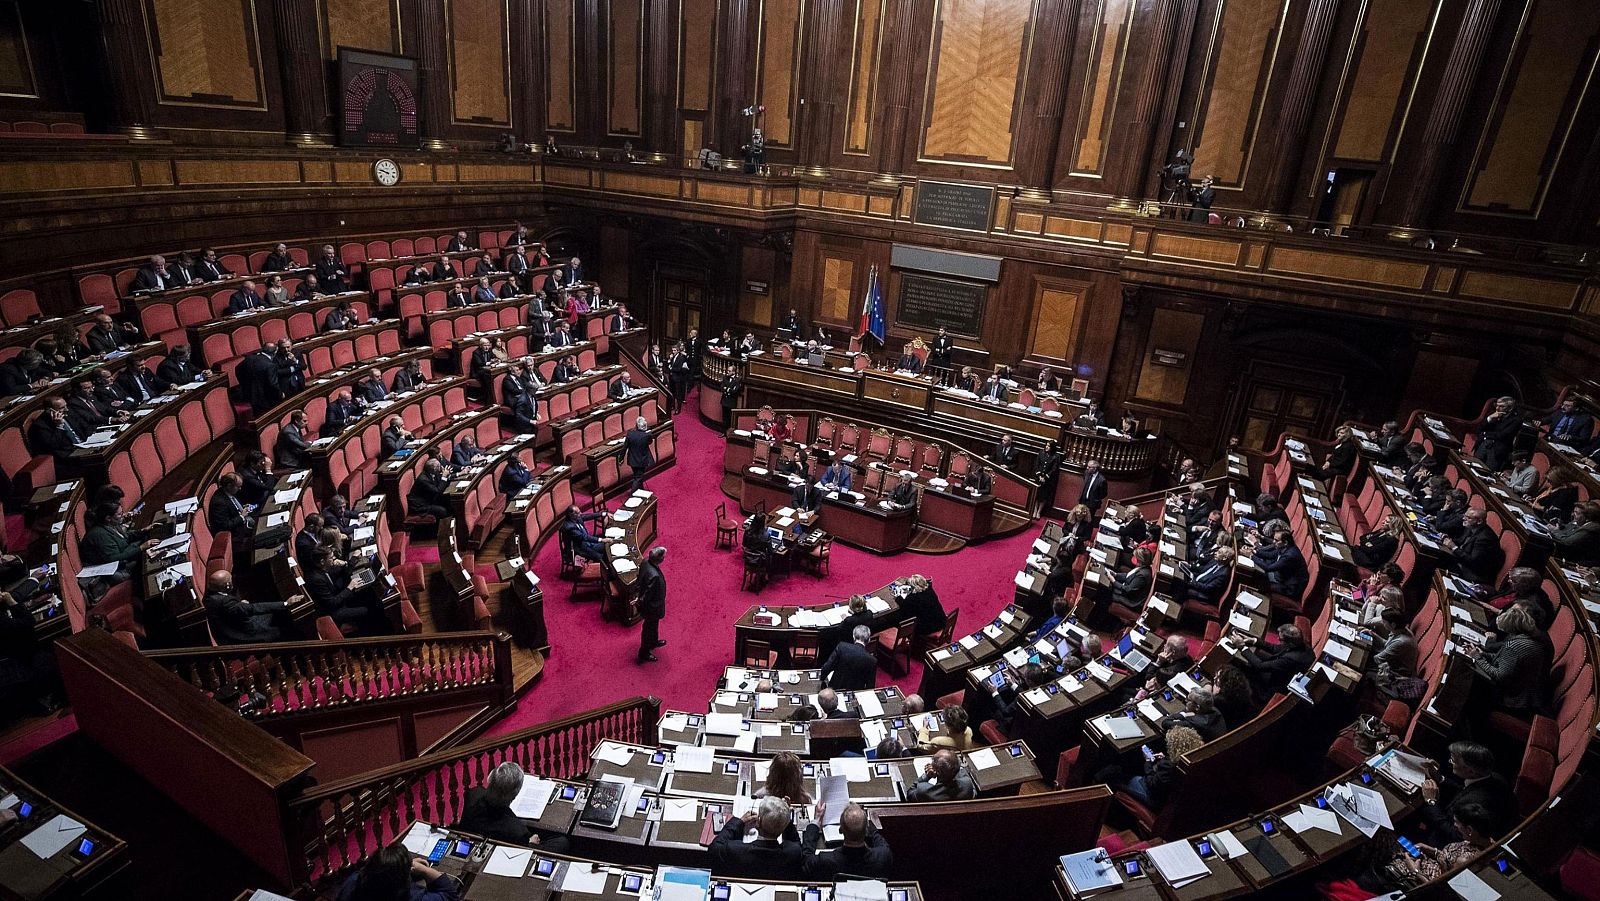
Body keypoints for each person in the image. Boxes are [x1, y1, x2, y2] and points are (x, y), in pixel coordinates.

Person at [453, 760, 570, 852]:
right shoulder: (516, 830)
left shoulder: (473, 794)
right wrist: (530, 843)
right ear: (514, 795)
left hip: (472, 834)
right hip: (499, 851)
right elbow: (523, 846)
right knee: (562, 842)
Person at [1418, 741, 1514, 842]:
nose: (1450, 762)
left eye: (1453, 761)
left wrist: (1431, 801)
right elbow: (1464, 789)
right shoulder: (1495, 777)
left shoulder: (1474, 801)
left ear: (1470, 771)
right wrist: (1440, 778)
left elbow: (1457, 836)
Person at [1464, 606, 1549, 718]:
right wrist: (1483, 654)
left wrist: (1477, 657)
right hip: (1528, 692)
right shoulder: (1531, 636)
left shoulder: (1515, 646)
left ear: (1512, 630)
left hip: (1515, 699)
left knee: (1471, 682)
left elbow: (1500, 676)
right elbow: (1506, 659)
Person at [708, 796, 803, 879]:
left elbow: (714, 848)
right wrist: (784, 817)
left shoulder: (736, 850)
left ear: (758, 822)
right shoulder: (793, 853)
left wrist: (739, 822)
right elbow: (796, 843)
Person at [335, 843, 460, 901]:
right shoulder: (414, 897)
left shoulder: (353, 882)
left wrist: (399, 865)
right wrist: (424, 870)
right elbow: (449, 894)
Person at [801, 800, 891, 878]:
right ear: (866, 831)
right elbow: (877, 837)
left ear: (840, 830)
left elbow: (806, 859)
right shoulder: (883, 857)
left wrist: (816, 821)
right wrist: (863, 820)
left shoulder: (824, 860)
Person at [203, 570, 292, 645]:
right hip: (242, 635)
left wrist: (239, 605)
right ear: (228, 585)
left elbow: (229, 610)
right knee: (282, 628)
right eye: (230, 580)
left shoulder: (208, 597)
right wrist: (285, 603)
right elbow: (253, 608)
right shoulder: (226, 602)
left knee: (273, 613)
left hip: (232, 624)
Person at [1237, 623, 1314, 699]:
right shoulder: (1299, 643)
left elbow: (1260, 666)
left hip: (1276, 683)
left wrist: (1242, 647)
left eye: (1280, 639)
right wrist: (1254, 641)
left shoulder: (1291, 659)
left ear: (1290, 643)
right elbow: (1274, 648)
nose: (1277, 639)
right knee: (1256, 656)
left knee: (1241, 666)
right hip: (1282, 669)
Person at [1370, 606, 1419, 702]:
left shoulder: (1401, 642)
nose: (1382, 623)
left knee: (1365, 670)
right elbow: (1388, 645)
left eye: (1384, 621)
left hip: (1397, 673)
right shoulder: (1400, 630)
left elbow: (1378, 659)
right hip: (1392, 662)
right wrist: (1373, 635)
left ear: (1393, 624)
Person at [1442, 507, 1505, 583]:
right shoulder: (1472, 526)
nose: (1463, 519)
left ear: (1479, 521)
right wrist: (1448, 539)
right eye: (1464, 516)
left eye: (1468, 518)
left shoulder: (1485, 538)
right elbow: (1462, 542)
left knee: (1439, 561)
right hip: (1463, 562)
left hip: (1473, 573)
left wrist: (1453, 547)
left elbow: (1473, 561)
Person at [1254, 526, 1309, 598]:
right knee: (1258, 569)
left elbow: (1268, 568)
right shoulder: (1285, 546)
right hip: (1281, 576)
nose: (1274, 542)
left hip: (1288, 587)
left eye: (1276, 540)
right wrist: (1253, 551)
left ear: (1285, 542)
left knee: (1258, 580)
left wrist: (1251, 556)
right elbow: (1269, 555)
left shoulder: (1290, 555)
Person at [1471, 396, 1521, 471]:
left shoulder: (1516, 420)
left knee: (1487, 471)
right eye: (1497, 405)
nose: (1497, 408)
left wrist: (1485, 434)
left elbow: (1502, 435)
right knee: (1473, 466)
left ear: (1510, 408)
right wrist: (1490, 418)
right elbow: (1479, 429)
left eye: (1501, 406)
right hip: (1484, 444)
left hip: (1497, 450)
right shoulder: (1494, 414)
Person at [820, 624, 876, 690]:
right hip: (854, 693)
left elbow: (827, 667)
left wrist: (821, 681)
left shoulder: (841, 647)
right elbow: (870, 686)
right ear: (869, 640)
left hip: (835, 689)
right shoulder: (872, 660)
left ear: (853, 636)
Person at [906, 749, 976, 801]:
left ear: (938, 772)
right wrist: (959, 767)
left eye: (933, 760)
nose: (931, 761)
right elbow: (973, 792)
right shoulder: (967, 785)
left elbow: (910, 793)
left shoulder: (924, 790)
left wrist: (926, 776)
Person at [1159, 687, 1225, 740]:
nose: (1185, 701)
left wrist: (1183, 714)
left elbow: (1165, 723)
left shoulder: (1194, 723)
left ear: (1197, 707)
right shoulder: (1215, 710)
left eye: (1188, 700)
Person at [207, 474, 254, 544]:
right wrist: (242, 516)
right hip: (236, 535)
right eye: (238, 486)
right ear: (229, 486)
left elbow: (233, 506)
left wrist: (243, 507)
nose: (240, 489)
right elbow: (224, 526)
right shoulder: (219, 503)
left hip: (244, 523)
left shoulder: (229, 491)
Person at [1552, 500, 1600, 565]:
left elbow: (1566, 542)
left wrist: (1555, 531)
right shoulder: (1583, 523)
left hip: (1579, 564)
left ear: (1587, 517)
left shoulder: (1590, 528)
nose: (1572, 515)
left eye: (1577, 513)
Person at [1110, 546, 1153, 611]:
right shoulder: (1143, 567)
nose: (1135, 559)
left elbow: (1128, 590)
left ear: (1140, 560)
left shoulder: (1142, 576)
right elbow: (1129, 576)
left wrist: (1113, 581)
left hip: (1131, 601)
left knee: (1107, 592)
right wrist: (1116, 575)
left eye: (1137, 558)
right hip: (1128, 590)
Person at [623, 416, 654, 491]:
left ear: (636, 425)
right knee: (638, 477)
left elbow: (625, 447)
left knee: (637, 476)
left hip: (632, 460)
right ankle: (633, 495)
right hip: (641, 461)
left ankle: (640, 490)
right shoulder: (648, 436)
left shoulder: (630, 434)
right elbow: (650, 442)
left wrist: (621, 458)